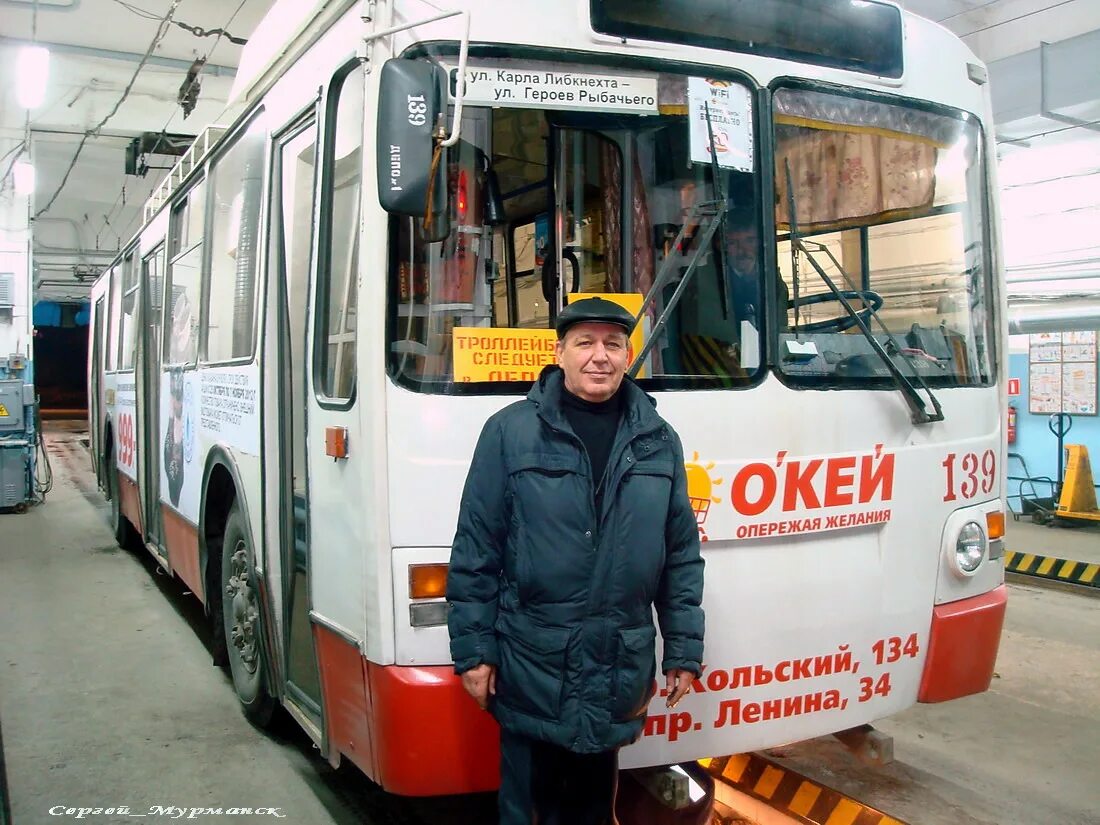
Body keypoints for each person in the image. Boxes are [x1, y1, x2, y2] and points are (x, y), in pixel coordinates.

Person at [447, 297, 705, 825]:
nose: (599, 357)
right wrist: (474, 652)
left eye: (613, 344)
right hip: (532, 661)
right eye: (585, 342)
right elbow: (476, 549)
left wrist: (683, 647)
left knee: (593, 810)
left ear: (628, 355)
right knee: (528, 811)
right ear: (558, 352)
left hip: (615, 664)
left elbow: (680, 555)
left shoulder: (658, 441)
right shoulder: (509, 432)